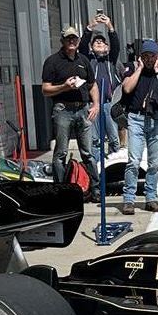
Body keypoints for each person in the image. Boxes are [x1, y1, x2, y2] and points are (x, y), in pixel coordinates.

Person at [41, 25, 100, 197]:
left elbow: (92, 85)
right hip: (63, 110)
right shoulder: (52, 61)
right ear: (63, 41)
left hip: (83, 109)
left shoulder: (83, 60)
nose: (72, 41)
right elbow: (45, 89)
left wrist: (96, 104)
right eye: (68, 38)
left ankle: (95, 189)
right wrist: (64, 87)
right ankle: (61, 191)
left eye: (74, 38)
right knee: (61, 153)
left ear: (79, 41)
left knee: (88, 152)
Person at [118, 39, 158, 215]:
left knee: (154, 162)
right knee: (134, 161)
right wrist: (139, 69)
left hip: (156, 119)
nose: (149, 59)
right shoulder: (132, 68)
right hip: (136, 118)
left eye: (152, 56)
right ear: (141, 57)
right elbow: (127, 89)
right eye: (146, 56)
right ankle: (129, 199)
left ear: (157, 56)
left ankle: (151, 198)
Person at [79, 12, 121, 157]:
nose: (99, 42)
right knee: (95, 139)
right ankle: (97, 165)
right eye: (96, 41)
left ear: (107, 47)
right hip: (93, 105)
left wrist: (109, 26)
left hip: (109, 104)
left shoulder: (111, 60)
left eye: (102, 42)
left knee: (114, 139)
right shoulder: (88, 60)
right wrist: (90, 27)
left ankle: (114, 163)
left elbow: (116, 44)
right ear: (91, 47)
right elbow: (82, 45)